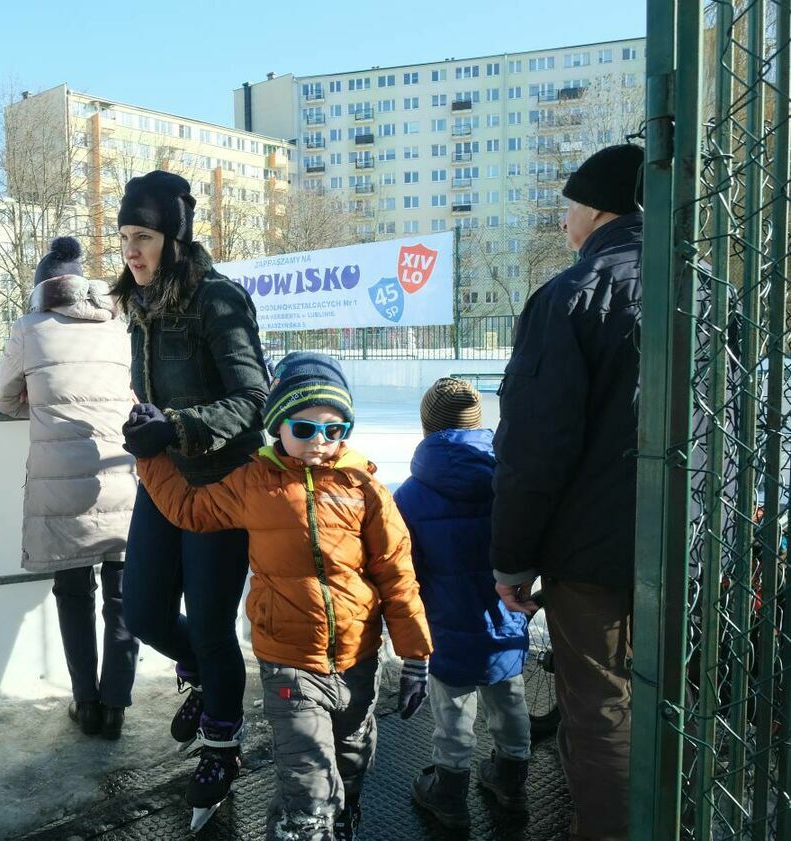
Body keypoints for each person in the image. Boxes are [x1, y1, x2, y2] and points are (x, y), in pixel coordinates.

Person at [126, 351, 432, 840]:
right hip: (290, 665)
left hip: (358, 660)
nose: (321, 443)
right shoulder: (254, 483)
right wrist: (150, 454)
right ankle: (304, 826)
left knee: (353, 756)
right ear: (277, 426)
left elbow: (396, 573)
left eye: (334, 430)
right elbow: (190, 510)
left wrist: (415, 655)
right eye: (305, 429)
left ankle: (347, 808)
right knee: (307, 784)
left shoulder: (365, 489)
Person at [491, 143, 644, 841]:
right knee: (663, 700)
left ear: (602, 208)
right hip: (691, 546)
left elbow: (533, 449)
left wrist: (514, 559)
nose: (564, 224)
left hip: (595, 559)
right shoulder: (708, 292)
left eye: (571, 206)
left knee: (603, 709)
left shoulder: (572, 296)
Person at [112, 170, 270, 823]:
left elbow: (254, 399)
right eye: (123, 235)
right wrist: (147, 423)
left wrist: (178, 425)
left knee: (210, 624)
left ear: (174, 236)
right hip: (164, 476)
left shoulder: (218, 300)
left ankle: (223, 746)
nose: (131, 249)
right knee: (145, 611)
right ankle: (205, 678)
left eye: (143, 235)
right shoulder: (141, 305)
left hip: (222, 483)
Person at [0, 236, 139, 740]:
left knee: (73, 591)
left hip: (60, 483)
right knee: (124, 596)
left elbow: (7, 399)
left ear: (42, 290)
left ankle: (87, 702)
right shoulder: (121, 327)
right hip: (121, 472)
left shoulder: (29, 329)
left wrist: (45, 403)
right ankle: (117, 706)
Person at [394, 377, 530, 829]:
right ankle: (511, 779)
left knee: (452, 711)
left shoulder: (410, 497)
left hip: (445, 626)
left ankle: (449, 792)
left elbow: (403, 568)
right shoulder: (508, 485)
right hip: (504, 622)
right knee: (509, 700)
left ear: (426, 427)